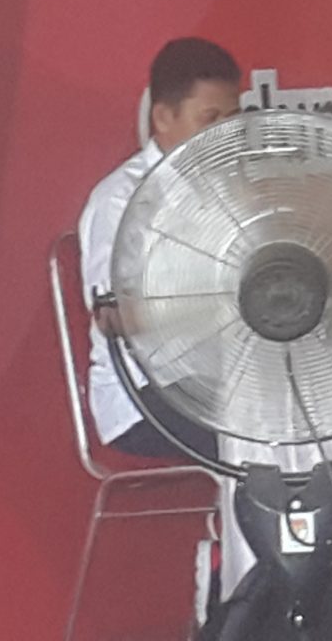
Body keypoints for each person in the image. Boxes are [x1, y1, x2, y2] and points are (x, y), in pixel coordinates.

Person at [77, 37, 242, 459]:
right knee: (270, 431)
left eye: (232, 118)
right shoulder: (121, 200)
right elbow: (114, 316)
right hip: (146, 395)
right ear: (164, 117)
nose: (224, 133)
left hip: (225, 382)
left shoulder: (232, 188)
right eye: (210, 119)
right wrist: (216, 304)